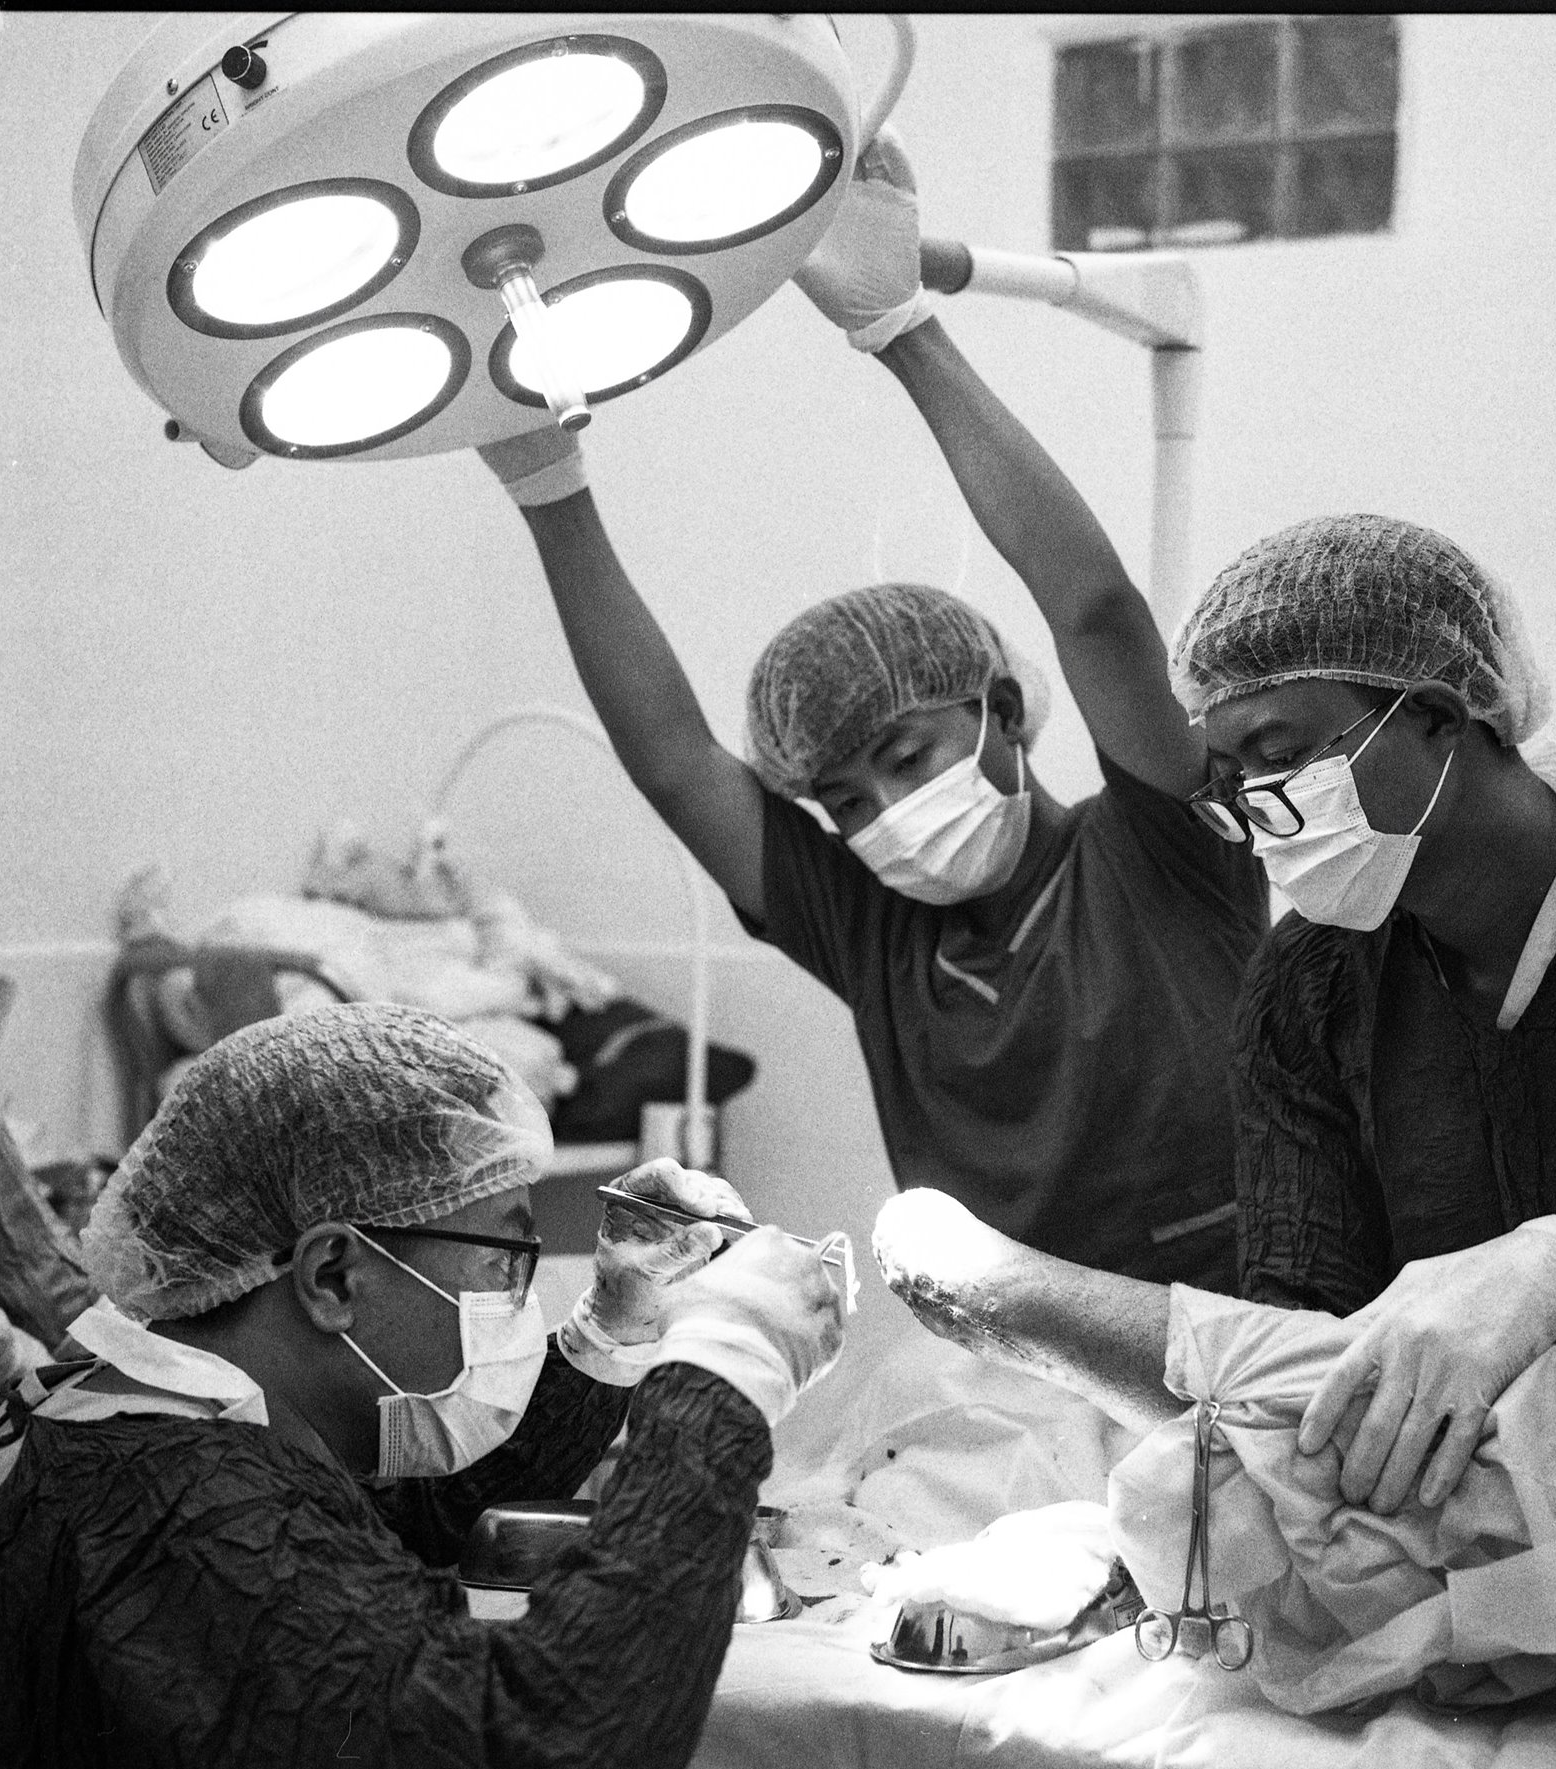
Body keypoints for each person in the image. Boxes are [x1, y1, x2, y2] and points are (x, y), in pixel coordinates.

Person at [871, 514, 1556, 1517]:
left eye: (1282, 754)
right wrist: (1023, 1306)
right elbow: (1300, 1366)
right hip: (1465, 1549)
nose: (1264, 810)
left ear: (1442, 711)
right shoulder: (1308, 991)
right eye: (1234, 785)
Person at [475, 131, 1266, 1292]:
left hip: (1237, 1343)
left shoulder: (1161, 849)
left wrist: (904, 330)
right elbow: (676, 764)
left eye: (905, 757)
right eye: (844, 801)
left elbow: (1096, 610)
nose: (887, 816)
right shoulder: (882, 934)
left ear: (1002, 709)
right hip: (998, 1386)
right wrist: (551, 490)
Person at [0, 1003, 843, 1769]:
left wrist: (608, 1334)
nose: (521, 1289)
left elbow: (418, 1521)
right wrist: (722, 1376)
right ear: (332, 1279)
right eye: (506, 1253)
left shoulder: (190, 1421)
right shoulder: (181, 1515)